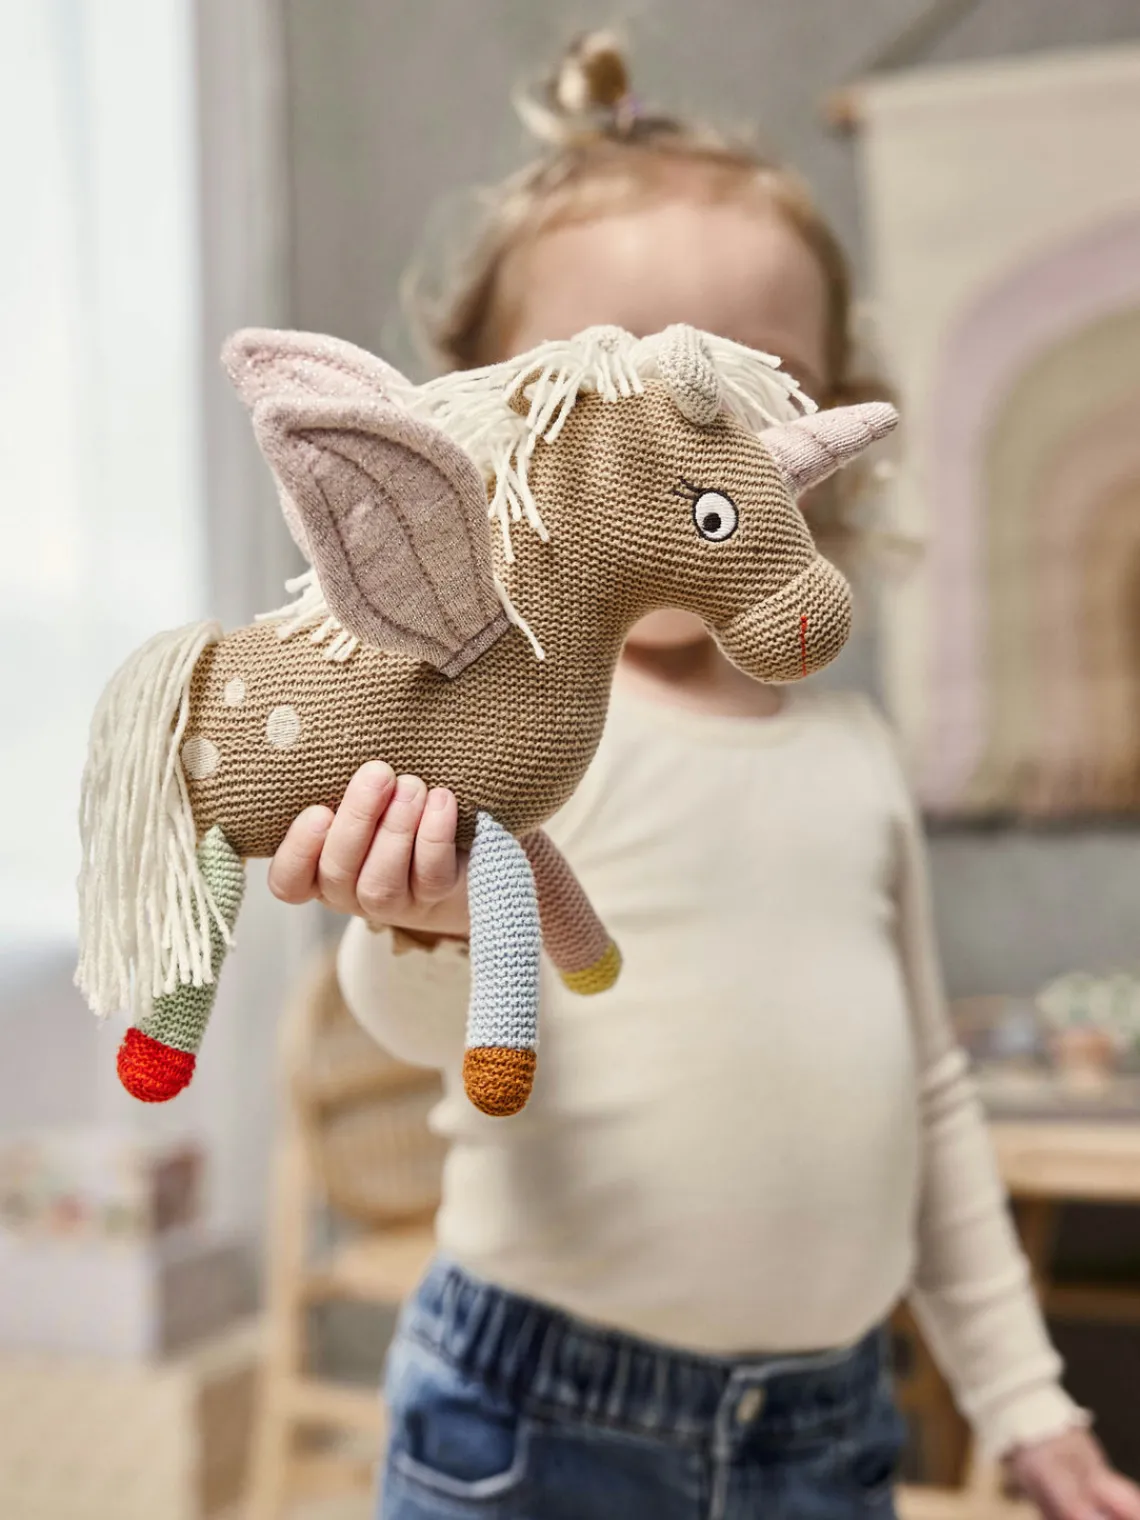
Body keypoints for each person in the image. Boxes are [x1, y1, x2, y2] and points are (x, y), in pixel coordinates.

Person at [267, 33, 1140, 1520]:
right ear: (483, 424)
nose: (677, 465)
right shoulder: (512, 726)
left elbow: (930, 1100)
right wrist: (416, 928)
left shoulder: (855, 758)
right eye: (603, 401)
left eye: (746, 394)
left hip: (827, 1427)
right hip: (532, 1417)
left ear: (834, 431)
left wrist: (1023, 1401)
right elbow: (421, 1030)